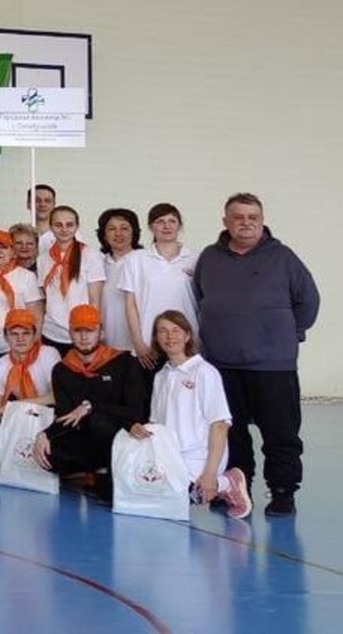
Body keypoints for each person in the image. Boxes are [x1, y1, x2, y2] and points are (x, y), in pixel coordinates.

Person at [193, 193, 319, 516]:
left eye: (253, 217)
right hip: (222, 364)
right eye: (238, 217)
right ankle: (237, 488)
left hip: (273, 366)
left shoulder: (283, 257)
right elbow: (200, 297)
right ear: (225, 222)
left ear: (262, 221)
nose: (246, 223)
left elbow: (308, 301)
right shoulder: (209, 257)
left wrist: (288, 334)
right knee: (231, 434)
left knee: (280, 433)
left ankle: (282, 492)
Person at [128, 310, 252, 518]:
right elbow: (157, 424)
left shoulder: (205, 372)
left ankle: (226, 483)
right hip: (170, 458)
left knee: (169, 503)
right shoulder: (161, 376)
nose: (170, 336)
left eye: (176, 330)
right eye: (163, 331)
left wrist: (210, 474)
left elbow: (220, 425)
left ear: (187, 336)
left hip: (199, 458)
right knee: (139, 500)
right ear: (156, 338)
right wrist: (141, 429)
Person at [31, 304, 149, 503]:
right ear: (70, 333)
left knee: (98, 421)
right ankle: (92, 470)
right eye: (78, 330)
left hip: (122, 436)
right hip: (86, 438)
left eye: (90, 330)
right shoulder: (62, 369)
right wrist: (44, 434)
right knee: (48, 455)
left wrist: (91, 407)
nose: (84, 336)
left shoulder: (125, 362)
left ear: (101, 333)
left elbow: (136, 412)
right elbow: (66, 416)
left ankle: (108, 473)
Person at [122, 203, 198, 372]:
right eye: (160, 221)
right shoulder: (136, 259)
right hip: (149, 347)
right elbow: (130, 305)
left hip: (187, 345)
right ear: (151, 227)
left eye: (172, 221)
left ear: (180, 225)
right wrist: (138, 343)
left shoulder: (195, 258)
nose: (167, 226)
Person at [38, 206, 104, 355]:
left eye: (69, 225)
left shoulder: (90, 255)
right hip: (50, 332)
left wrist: (95, 330)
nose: (64, 230)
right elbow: (44, 299)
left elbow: (95, 301)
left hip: (81, 334)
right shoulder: (43, 258)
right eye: (58, 225)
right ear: (50, 227)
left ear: (77, 226)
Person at [0, 230, 44, 368]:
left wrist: (33, 348)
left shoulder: (26, 276)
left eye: (3, 247)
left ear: (12, 252)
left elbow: (37, 317)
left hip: (15, 350)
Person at [0, 309, 60, 420]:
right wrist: (2, 414)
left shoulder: (49, 354)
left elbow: (56, 396)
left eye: (26, 333)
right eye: (14, 334)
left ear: (34, 335)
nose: (20, 339)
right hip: (14, 418)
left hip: (48, 415)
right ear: (5, 337)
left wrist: (19, 405)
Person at [96, 208, 142, 353]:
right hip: (104, 345)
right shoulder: (98, 263)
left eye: (124, 228)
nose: (118, 234)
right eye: (112, 229)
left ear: (134, 232)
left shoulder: (143, 261)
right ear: (104, 235)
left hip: (138, 347)